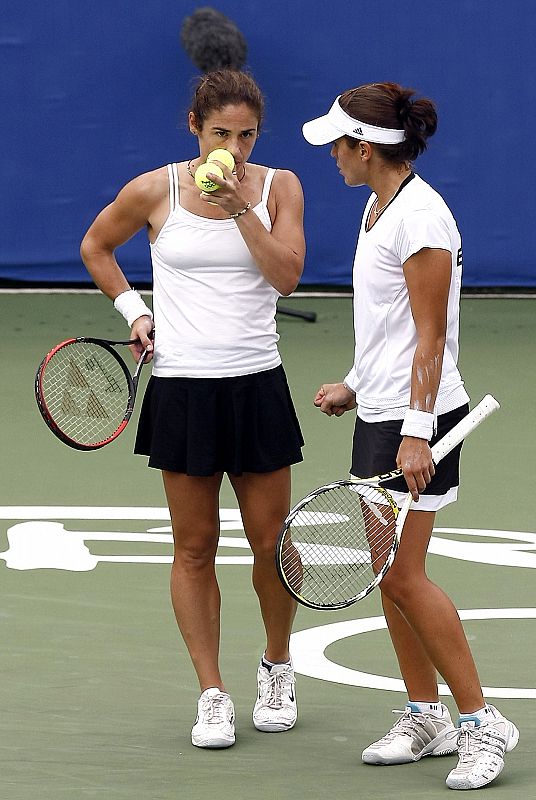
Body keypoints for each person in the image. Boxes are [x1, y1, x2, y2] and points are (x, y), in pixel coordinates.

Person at [302, 82, 518, 790]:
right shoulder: (378, 206)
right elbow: (389, 330)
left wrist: (417, 433)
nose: (332, 155)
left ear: (367, 148)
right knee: (388, 579)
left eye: (339, 144)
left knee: (404, 575)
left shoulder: (421, 219)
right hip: (382, 415)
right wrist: (357, 385)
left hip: (419, 425)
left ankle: (482, 723)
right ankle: (423, 712)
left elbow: (431, 338)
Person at [80, 68, 305, 749]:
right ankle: (212, 692)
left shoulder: (279, 187)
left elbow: (288, 277)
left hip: (257, 385)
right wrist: (135, 311)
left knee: (271, 544)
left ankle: (277, 664)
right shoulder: (154, 190)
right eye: (219, 134)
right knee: (194, 546)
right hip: (183, 388)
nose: (232, 150)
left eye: (245, 136)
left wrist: (242, 208)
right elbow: (97, 247)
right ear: (193, 128)